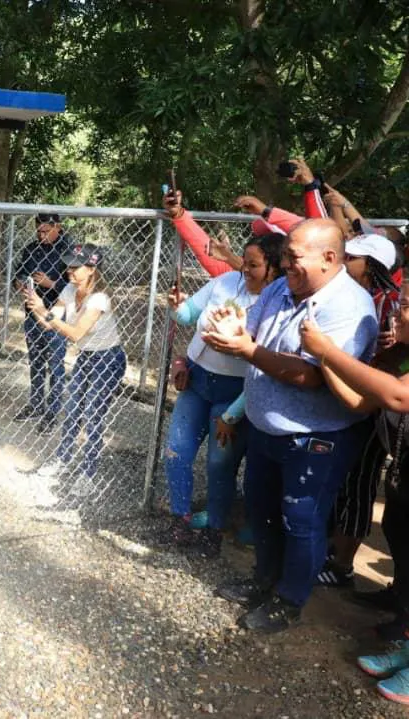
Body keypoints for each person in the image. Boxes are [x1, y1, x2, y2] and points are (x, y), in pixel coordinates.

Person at [202, 218, 377, 634]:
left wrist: (247, 350)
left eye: (294, 257)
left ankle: (289, 600)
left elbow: (311, 375)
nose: (285, 264)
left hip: (316, 436)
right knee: (261, 509)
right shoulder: (283, 287)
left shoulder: (349, 307)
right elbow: (253, 329)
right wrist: (233, 327)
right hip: (267, 428)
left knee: (301, 519)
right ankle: (264, 580)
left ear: (329, 258)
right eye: (284, 256)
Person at [299, 291, 409, 701]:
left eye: (407, 306)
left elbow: (399, 397)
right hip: (404, 471)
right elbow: (361, 402)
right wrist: (324, 362)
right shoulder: (400, 355)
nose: (397, 313)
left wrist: (328, 351)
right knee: (402, 543)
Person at [161, 228, 284, 558]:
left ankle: (214, 531)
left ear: (274, 268)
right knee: (176, 452)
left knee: (219, 465)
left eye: (254, 265)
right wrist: (176, 306)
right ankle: (180, 519)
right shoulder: (226, 282)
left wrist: (232, 416)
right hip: (198, 382)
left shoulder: (277, 304)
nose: (245, 269)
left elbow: (263, 371)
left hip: (236, 393)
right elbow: (187, 315)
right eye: (244, 261)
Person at [317, 232, 399, 588]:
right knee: (345, 477)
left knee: (359, 481)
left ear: (372, 266)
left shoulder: (389, 303)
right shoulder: (357, 295)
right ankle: (333, 548)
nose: (345, 261)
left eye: (352, 258)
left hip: (374, 410)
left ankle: (343, 565)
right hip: (352, 403)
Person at [23, 242, 127, 504]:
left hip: (108, 359)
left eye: (75, 267)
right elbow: (50, 323)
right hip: (86, 357)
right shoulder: (69, 289)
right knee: (72, 411)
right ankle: (63, 458)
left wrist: (45, 314)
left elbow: (76, 333)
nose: (69, 270)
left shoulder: (99, 298)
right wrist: (36, 307)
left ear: (91, 269)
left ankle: (88, 474)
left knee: (92, 415)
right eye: (68, 266)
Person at [13, 213, 69, 434]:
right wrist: (20, 284)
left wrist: (51, 283)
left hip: (57, 314)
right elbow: (19, 274)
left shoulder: (69, 250)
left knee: (55, 365)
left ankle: (52, 413)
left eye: (46, 231)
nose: (41, 235)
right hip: (31, 313)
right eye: (38, 231)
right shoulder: (31, 249)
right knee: (35, 361)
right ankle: (36, 405)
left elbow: (75, 287)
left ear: (58, 227)